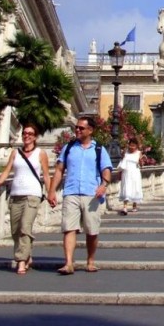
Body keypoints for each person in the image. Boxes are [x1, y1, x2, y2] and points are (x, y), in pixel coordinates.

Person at [47, 116, 112, 275]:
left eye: (81, 128)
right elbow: (59, 170)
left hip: (91, 194)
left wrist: (103, 186)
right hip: (71, 192)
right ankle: (68, 262)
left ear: (90, 130)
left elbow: (106, 170)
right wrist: (51, 191)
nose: (77, 130)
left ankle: (90, 260)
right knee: (69, 228)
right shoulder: (69, 148)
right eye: (76, 127)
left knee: (92, 230)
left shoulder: (99, 149)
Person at [0, 124, 50, 275]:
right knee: (16, 230)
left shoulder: (41, 153)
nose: (27, 136)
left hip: (33, 195)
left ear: (35, 137)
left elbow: (46, 175)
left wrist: (51, 193)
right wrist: (0, 181)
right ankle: (27, 254)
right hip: (16, 194)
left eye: (30, 133)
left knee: (25, 226)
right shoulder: (15, 153)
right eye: (25, 133)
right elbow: (7, 170)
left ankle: (20, 261)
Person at [118, 139, 143, 215]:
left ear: (136, 146)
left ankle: (134, 205)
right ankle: (125, 207)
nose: (131, 147)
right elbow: (122, 163)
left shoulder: (139, 153)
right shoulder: (125, 153)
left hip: (135, 172)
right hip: (127, 173)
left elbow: (141, 165)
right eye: (130, 145)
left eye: (133, 145)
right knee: (126, 188)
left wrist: (141, 161)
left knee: (135, 188)